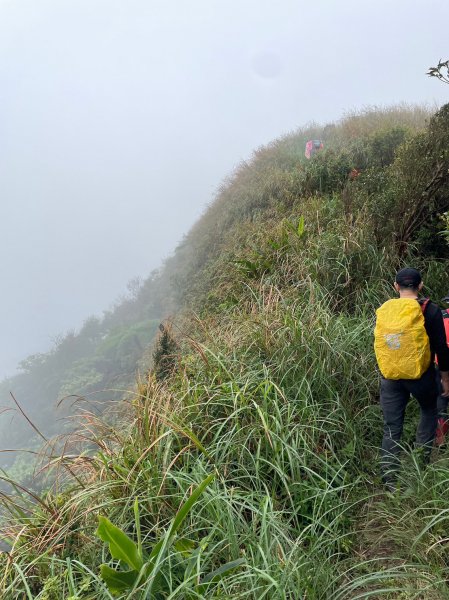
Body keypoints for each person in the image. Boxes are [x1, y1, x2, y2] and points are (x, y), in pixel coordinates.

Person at [374, 268, 449, 489]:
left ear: (395, 286)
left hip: (390, 377)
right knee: (428, 412)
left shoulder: (386, 310)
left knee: (391, 426)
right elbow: (441, 349)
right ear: (421, 285)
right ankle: (418, 468)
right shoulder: (430, 309)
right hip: (421, 376)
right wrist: (445, 377)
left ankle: (389, 480)